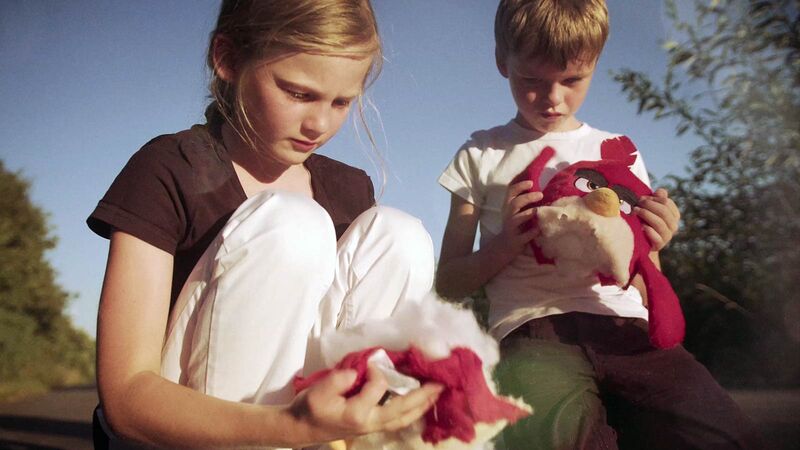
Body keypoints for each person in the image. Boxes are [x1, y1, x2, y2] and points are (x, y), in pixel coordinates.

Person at [87, 1, 443, 448]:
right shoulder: (169, 168)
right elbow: (125, 397)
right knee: (292, 226)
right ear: (228, 59)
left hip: (305, 433)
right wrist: (293, 427)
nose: (319, 123)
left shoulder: (350, 190)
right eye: (297, 93)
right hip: (176, 434)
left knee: (400, 236)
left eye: (341, 102)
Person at [436, 1, 761, 449]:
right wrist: (505, 245)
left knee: (724, 436)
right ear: (501, 61)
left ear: (594, 64)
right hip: (532, 332)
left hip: (625, 327)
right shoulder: (479, 155)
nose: (553, 99)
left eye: (572, 80)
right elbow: (448, 282)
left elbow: (649, 278)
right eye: (531, 80)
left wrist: (655, 239)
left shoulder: (617, 150)